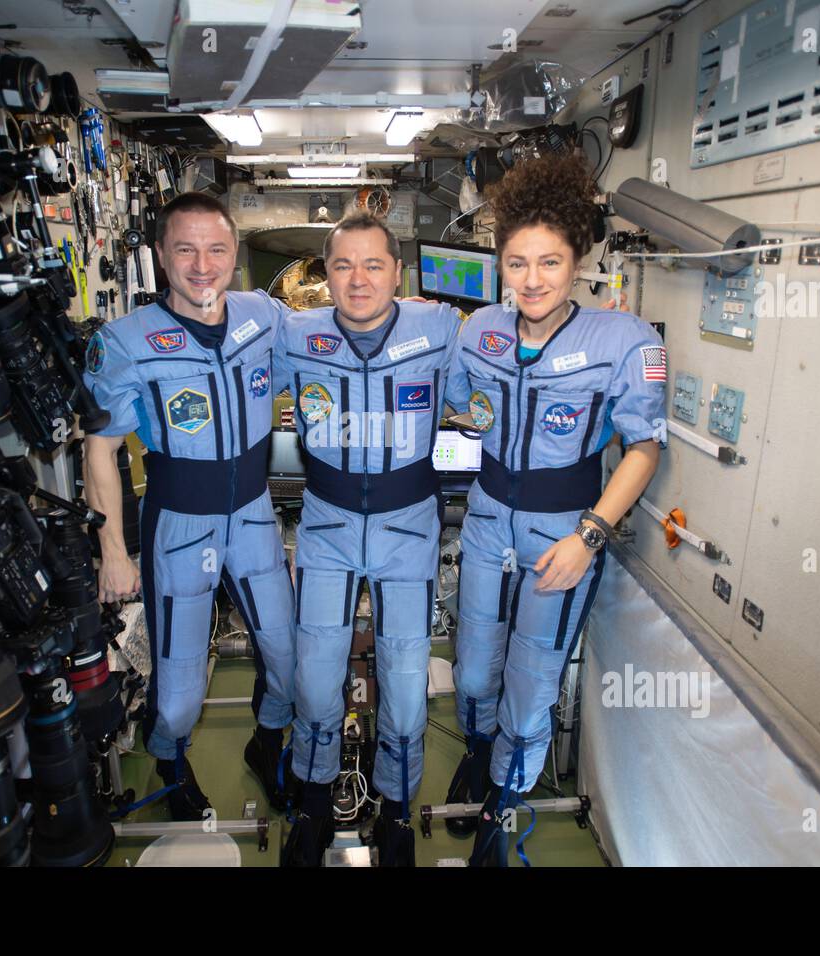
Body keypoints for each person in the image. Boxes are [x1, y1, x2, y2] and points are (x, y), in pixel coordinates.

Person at [443, 152, 667, 865]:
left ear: (578, 261)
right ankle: (479, 752)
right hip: (485, 522)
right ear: (499, 263)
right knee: (475, 673)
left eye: (549, 262)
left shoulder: (624, 341)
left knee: (531, 685)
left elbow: (643, 449)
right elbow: (463, 405)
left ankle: (501, 815)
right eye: (517, 263)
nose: (532, 280)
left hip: (562, 534)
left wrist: (590, 536)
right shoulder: (478, 331)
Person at [83, 192, 297, 821]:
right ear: (160, 255)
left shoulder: (265, 314)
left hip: (255, 515)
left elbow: (324, 341)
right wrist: (114, 551)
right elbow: (100, 452)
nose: (202, 264)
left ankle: (269, 744)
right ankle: (171, 761)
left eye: (216, 249)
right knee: (177, 696)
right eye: (185, 249)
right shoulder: (123, 342)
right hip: (180, 524)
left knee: (288, 663)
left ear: (235, 253)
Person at [274, 211, 459, 866]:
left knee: (406, 683)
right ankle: (314, 799)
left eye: (373, 264)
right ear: (325, 273)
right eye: (343, 264)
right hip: (325, 524)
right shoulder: (293, 334)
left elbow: (485, 396)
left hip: (407, 526)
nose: (358, 279)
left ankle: (397, 808)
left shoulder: (439, 328)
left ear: (398, 273)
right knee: (318, 674)